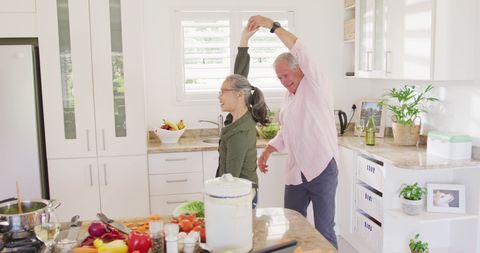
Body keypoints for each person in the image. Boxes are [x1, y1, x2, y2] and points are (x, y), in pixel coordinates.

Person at [248, 15, 339, 249]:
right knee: (292, 225)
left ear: (299, 69)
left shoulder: (316, 84)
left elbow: (300, 47)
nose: (283, 81)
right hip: (296, 172)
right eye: (279, 78)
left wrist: (272, 26)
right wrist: (268, 150)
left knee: (324, 229)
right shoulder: (288, 98)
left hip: (322, 168)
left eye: (286, 75)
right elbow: (286, 132)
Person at [215, 26, 269, 208]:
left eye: (223, 92)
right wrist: (243, 40)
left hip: (240, 200)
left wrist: (213, 203)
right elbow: (240, 75)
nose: (219, 96)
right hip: (243, 195)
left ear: (239, 94)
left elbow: (230, 181)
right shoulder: (238, 117)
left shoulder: (239, 132)